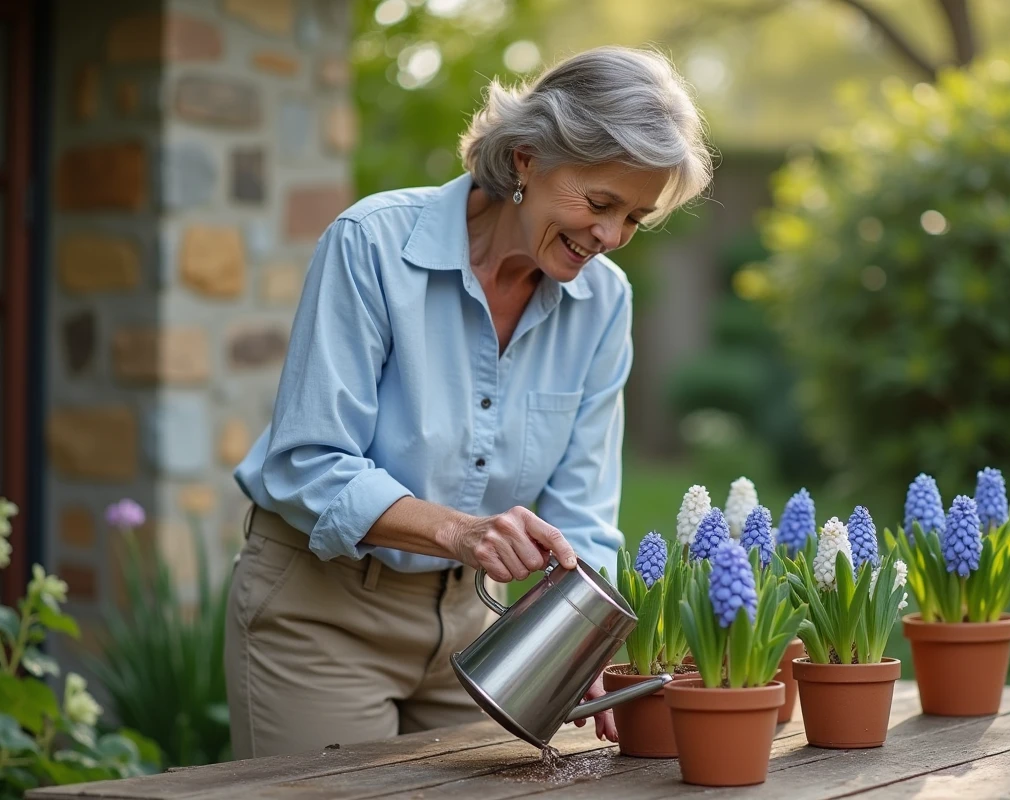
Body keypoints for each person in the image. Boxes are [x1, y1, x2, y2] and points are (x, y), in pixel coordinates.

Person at [224, 45, 713, 760]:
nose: (610, 238)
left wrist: (585, 646)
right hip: (320, 617)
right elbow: (306, 463)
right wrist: (460, 532)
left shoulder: (604, 303)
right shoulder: (372, 246)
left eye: (635, 218)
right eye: (600, 203)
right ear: (525, 158)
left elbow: (583, 509)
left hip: (478, 626)